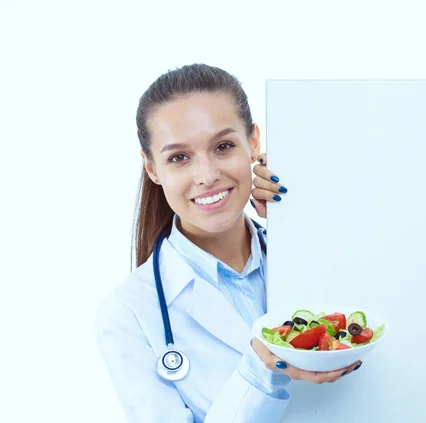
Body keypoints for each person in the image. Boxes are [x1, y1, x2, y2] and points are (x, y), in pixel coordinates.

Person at [95, 63, 362, 423]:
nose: (206, 176)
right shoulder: (127, 314)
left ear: (253, 142)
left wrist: (303, 218)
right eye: (179, 157)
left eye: (223, 146)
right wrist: (259, 370)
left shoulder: (305, 252)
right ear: (152, 168)